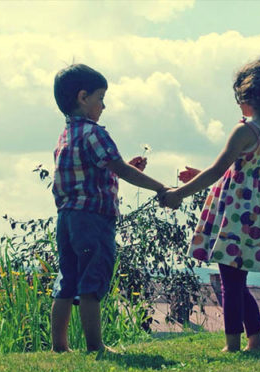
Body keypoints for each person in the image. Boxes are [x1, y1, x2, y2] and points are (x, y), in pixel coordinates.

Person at [162, 57, 260, 352]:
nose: (238, 105)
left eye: (240, 98)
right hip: (255, 211)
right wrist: (199, 176)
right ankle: (255, 340)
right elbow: (241, 170)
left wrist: (179, 192)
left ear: (250, 94)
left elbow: (218, 170)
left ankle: (232, 344)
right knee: (237, 279)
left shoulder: (245, 130)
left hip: (234, 213)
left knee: (229, 281)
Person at [50, 64, 170, 353]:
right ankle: (95, 346)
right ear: (83, 97)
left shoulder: (66, 135)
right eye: (100, 98)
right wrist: (160, 187)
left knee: (67, 278)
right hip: (93, 220)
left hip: (67, 218)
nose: (104, 105)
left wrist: (121, 167)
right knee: (92, 276)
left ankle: (59, 346)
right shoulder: (95, 133)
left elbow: (96, 171)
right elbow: (119, 168)